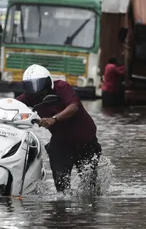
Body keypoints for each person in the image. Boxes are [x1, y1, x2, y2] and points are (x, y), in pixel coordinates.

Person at [16, 64, 101, 193]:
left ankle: (89, 210)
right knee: (61, 184)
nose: (38, 95)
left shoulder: (62, 87)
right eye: (33, 90)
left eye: (41, 89)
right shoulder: (31, 96)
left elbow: (73, 107)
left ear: (48, 83)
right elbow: (13, 104)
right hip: (61, 141)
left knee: (90, 186)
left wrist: (54, 119)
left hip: (84, 139)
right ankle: (62, 208)